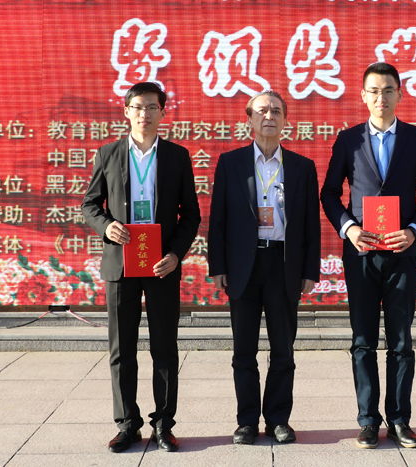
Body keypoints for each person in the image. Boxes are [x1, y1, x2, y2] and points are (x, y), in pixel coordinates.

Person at [320, 62, 416, 449]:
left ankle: (400, 420)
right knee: (362, 339)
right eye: (373, 90)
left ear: (399, 95)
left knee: (401, 340)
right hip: (361, 254)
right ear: (363, 96)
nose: (381, 97)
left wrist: (414, 230)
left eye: (388, 90)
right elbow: (329, 194)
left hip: (402, 254)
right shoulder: (348, 140)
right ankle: (368, 421)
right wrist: (349, 228)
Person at [82, 82, 201, 453]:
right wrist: (107, 226)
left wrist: (176, 254)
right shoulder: (108, 153)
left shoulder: (177, 156)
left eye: (151, 107)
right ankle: (127, 425)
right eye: (137, 107)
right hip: (121, 263)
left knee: (165, 347)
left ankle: (164, 425)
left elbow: (191, 215)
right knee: (122, 349)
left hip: (161, 264)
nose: (144, 113)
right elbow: (90, 205)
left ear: (163, 112)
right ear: (126, 112)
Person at [208, 90, 321, 445]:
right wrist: (218, 265)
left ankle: (277, 419)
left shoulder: (302, 167)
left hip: (284, 264)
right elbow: (218, 218)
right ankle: (246, 421)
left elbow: (311, 224)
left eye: (276, 111)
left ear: (286, 120)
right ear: (249, 119)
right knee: (244, 350)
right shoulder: (231, 163)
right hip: (244, 265)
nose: (268, 116)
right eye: (261, 111)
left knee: (283, 349)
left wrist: (310, 270)